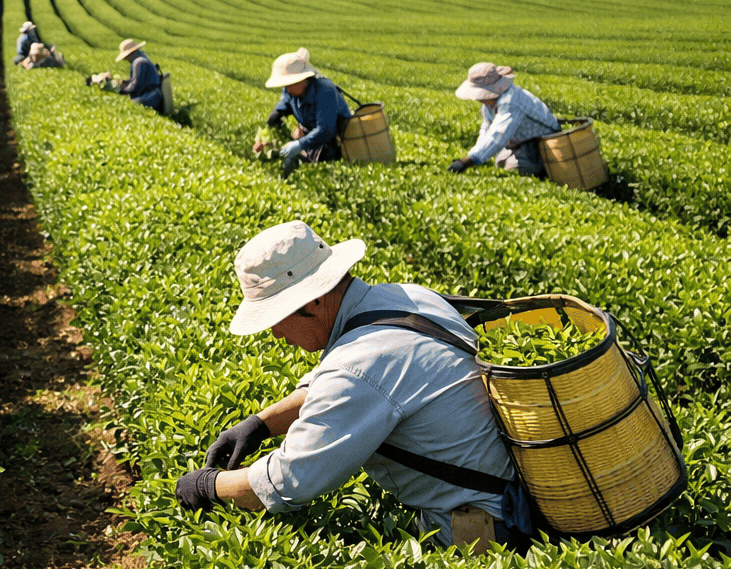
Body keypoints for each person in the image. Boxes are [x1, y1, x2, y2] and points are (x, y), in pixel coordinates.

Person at [173, 220, 527, 551]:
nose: (276, 333)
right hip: (516, 494)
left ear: (313, 300)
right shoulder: (405, 297)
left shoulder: (358, 365)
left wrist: (208, 486)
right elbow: (344, 384)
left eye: (276, 318)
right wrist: (260, 424)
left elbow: (290, 479)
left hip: (482, 534)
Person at [449, 62, 561, 177]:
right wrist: (473, 155)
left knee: (515, 168)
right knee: (501, 163)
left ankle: (543, 171)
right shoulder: (489, 103)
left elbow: (499, 134)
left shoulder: (511, 102)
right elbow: (486, 128)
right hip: (518, 143)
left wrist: (468, 161)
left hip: (541, 143)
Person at [256, 48, 352, 177]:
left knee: (305, 167)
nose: (286, 88)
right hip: (312, 138)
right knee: (283, 160)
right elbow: (281, 108)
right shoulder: (290, 91)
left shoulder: (325, 91)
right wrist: (268, 133)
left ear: (303, 80)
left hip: (334, 142)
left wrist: (299, 144)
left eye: (289, 84)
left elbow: (326, 130)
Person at [114, 39, 163, 110]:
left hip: (151, 97)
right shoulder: (141, 58)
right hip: (153, 95)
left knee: (128, 105)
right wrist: (126, 82)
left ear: (129, 54)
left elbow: (136, 86)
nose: (125, 59)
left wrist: (121, 91)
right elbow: (138, 81)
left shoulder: (139, 62)